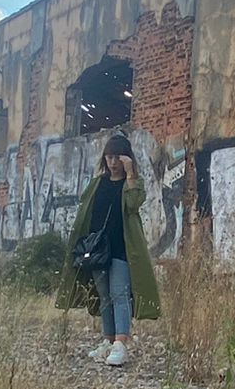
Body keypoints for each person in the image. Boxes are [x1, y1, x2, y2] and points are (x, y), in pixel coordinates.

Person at [56, 132, 161, 365]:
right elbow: (86, 212)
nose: (112, 163)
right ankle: (108, 340)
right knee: (104, 297)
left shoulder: (131, 184)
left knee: (119, 294)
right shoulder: (97, 184)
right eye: (109, 157)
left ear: (126, 159)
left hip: (122, 248)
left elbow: (134, 204)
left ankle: (121, 344)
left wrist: (131, 173)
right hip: (96, 249)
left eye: (117, 158)